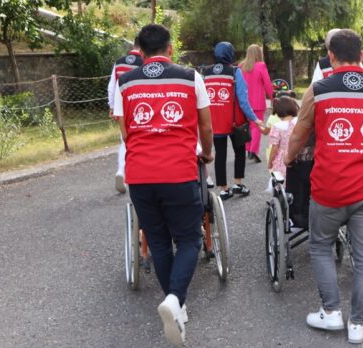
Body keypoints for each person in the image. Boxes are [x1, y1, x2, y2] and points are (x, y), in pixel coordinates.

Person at [285, 29, 363, 345]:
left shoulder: (319, 90)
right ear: (362, 55)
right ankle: (357, 324)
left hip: (329, 187)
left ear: (330, 56)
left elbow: (299, 134)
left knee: (319, 246)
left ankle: (331, 312)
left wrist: (289, 159)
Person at [113, 24, 213, 346]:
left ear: (140, 52)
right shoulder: (190, 77)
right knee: (189, 240)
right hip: (179, 172)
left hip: (140, 175)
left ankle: (177, 304)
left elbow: (125, 130)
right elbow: (205, 125)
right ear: (170, 49)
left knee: (157, 241)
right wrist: (207, 153)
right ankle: (174, 300)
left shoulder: (125, 82)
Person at [202, 42, 265, 200]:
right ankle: (238, 184)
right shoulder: (235, 72)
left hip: (214, 121)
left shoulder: (206, 72)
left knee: (220, 154)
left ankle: (224, 189)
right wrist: (255, 119)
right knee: (239, 152)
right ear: (230, 54)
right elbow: (243, 101)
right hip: (235, 121)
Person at [107, 38, 143, 193]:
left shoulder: (119, 62)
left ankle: (121, 170)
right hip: (139, 106)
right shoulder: (144, 61)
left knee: (124, 140)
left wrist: (112, 106)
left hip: (122, 107)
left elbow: (112, 86)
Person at [240, 44, 274, 163]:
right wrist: (273, 99)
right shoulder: (261, 66)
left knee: (247, 127)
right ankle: (253, 151)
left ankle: (247, 149)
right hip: (258, 102)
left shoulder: (241, 66)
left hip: (244, 102)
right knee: (257, 126)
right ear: (259, 53)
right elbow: (268, 84)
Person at [266, 96, 298, 176]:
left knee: (281, 182)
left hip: (282, 159)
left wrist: (270, 162)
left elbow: (274, 148)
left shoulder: (277, 126)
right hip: (298, 155)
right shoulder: (299, 122)